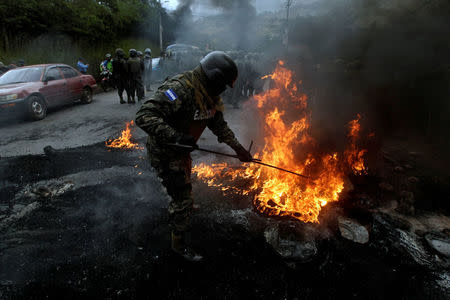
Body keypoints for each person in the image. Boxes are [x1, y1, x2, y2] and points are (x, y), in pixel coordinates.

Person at [135, 51, 253, 261]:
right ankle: (178, 245)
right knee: (183, 199)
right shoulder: (178, 89)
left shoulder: (208, 95)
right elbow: (144, 115)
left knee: (184, 183)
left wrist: (239, 150)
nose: (224, 90)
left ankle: (183, 202)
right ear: (215, 78)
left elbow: (219, 125)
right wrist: (175, 136)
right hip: (166, 152)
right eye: (224, 84)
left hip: (182, 152)